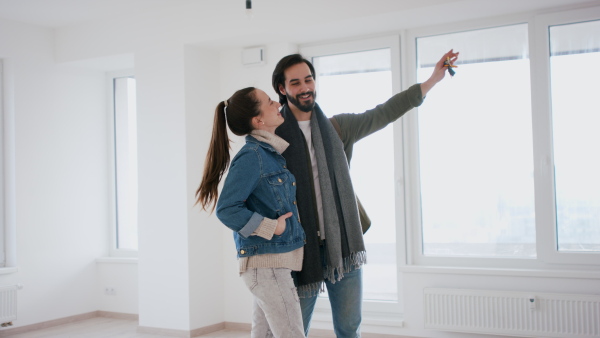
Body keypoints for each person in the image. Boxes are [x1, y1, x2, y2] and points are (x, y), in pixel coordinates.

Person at [272, 50, 459, 337]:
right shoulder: (273, 138)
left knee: (349, 328)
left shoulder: (338, 128)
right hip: (298, 249)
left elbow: (383, 112)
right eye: (295, 83)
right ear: (283, 89)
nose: (305, 87)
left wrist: (432, 79)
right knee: (293, 331)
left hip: (342, 244)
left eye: (308, 79)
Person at [196, 87, 306, 338]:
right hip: (266, 266)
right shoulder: (253, 156)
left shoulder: (269, 155)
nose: (278, 104)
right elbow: (227, 209)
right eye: (270, 102)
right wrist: (272, 227)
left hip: (269, 266)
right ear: (258, 120)